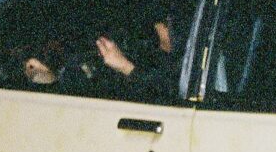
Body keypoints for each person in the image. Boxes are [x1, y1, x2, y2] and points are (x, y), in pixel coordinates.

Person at [23, 14, 179, 99]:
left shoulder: (186, 68)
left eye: (165, 25)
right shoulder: (158, 57)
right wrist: (50, 79)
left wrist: (125, 66)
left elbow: (167, 96)